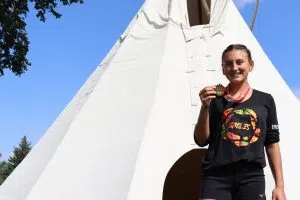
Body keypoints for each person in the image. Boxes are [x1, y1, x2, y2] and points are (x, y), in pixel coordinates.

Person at [194, 44, 286, 200]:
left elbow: (272, 143)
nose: (234, 67)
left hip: (251, 177)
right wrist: (204, 108)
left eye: (239, 62)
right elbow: (201, 140)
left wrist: (279, 186)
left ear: (251, 65)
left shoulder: (265, 100)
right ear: (223, 69)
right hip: (216, 176)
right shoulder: (213, 100)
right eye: (228, 64)